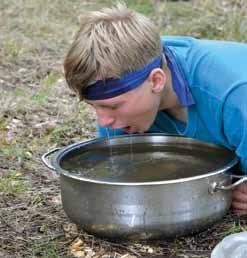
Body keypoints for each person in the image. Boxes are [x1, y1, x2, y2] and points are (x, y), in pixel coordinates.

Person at [63, 3, 247, 211]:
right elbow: (119, 175)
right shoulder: (132, 73)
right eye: (94, 107)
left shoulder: (235, 96)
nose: (104, 121)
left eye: (113, 106)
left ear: (156, 81)